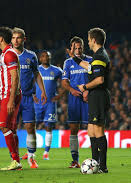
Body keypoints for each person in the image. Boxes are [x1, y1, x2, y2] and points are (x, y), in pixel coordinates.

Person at [67, 28, 110, 173]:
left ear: (93, 40)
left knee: (98, 130)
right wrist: (74, 57)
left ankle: (102, 166)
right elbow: (88, 66)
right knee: (91, 131)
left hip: (98, 96)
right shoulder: (97, 56)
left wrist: (84, 86)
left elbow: (99, 79)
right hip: (94, 96)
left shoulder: (99, 57)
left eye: (89, 39)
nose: (88, 42)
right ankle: (95, 163)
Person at [11, 27, 47, 169]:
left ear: (24, 39)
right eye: (13, 38)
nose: (15, 40)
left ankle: (31, 157)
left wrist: (42, 91)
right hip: (13, 98)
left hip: (26, 97)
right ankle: (14, 158)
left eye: (18, 37)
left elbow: (37, 74)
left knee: (30, 127)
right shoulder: (7, 55)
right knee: (12, 129)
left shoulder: (31, 56)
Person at [62, 36, 92, 168]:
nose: (78, 50)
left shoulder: (90, 60)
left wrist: (88, 90)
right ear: (71, 49)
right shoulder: (68, 63)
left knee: (92, 129)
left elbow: (96, 78)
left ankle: (95, 159)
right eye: (75, 48)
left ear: (83, 48)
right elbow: (64, 81)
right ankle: (75, 161)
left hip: (88, 98)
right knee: (74, 128)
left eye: (80, 48)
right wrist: (71, 90)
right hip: (74, 98)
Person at [0, 26, 22, 170]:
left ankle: (15, 160)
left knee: (4, 126)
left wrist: (11, 99)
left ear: (1, 38)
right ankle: (16, 161)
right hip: (8, 94)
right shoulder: (5, 53)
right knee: (11, 128)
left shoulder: (9, 54)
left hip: (10, 94)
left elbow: (15, 77)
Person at [34, 50, 64, 160]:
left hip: (50, 103)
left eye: (47, 56)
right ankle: (30, 152)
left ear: (50, 58)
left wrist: (59, 95)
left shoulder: (57, 70)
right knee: (31, 126)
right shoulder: (36, 69)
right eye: (43, 56)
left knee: (49, 127)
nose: (45, 58)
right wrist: (32, 95)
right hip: (37, 103)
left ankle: (46, 152)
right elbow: (28, 82)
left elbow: (66, 82)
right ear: (40, 58)